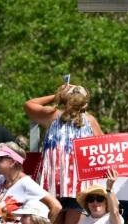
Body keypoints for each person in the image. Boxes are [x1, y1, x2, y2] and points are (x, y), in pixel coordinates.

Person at [25, 84, 104, 224]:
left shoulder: (52, 115)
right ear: (84, 102)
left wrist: (56, 96)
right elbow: (104, 147)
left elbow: (29, 104)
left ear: (64, 99)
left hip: (53, 183)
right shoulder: (89, 121)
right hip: (77, 186)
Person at [0, 143, 62, 222]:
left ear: (12, 162)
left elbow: (56, 206)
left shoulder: (26, 183)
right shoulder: (1, 179)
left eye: (0, 158)